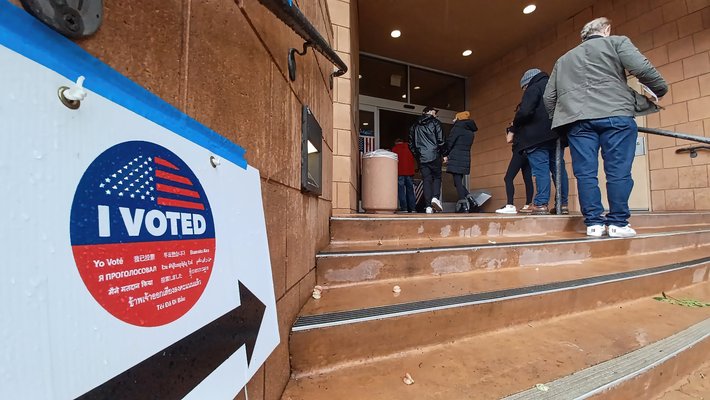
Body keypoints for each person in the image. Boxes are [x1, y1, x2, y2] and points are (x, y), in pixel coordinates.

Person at [543, 17, 667, 238]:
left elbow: (548, 97)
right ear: (606, 29)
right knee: (618, 171)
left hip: (578, 122)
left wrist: (563, 120)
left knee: (585, 173)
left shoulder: (563, 60)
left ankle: (594, 224)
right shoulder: (616, 42)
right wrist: (660, 90)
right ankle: (618, 223)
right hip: (616, 114)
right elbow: (641, 68)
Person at [514, 68, 569, 215]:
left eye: (524, 87)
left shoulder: (534, 87)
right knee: (558, 169)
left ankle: (540, 204)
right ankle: (562, 204)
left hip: (536, 136)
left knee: (540, 169)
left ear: (527, 82)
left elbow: (525, 111)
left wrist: (515, 125)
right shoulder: (555, 85)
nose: (524, 90)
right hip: (557, 134)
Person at [409, 106, 448, 213]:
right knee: (437, 177)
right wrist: (445, 154)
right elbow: (441, 140)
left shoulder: (414, 126)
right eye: (434, 112)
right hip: (434, 155)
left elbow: (411, 144)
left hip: (422, 157)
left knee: (426, 180)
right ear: (428, 112)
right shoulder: (435, 123)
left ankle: (428, 206)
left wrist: (418, 155)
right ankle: (435, 198)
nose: (435, 114)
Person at [496, 120, 534, 214]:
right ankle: (528, 204)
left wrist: (511, 128)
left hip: (519, 152)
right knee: (527, 179)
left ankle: (510, 205)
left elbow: (509, 139)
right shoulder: (527, 126)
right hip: (528, 152)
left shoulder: (515, 126)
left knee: (508, 178)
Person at [445, 111, 478, 213]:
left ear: (459, 118)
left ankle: (463, 205)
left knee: (457, 182)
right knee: (457, 182)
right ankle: (471, 200)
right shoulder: (470, 132)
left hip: (456, 157)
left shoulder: (457, 128)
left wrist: (445, 154)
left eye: (455, 118)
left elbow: (450, 142)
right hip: (465, 158)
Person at [391, 138, 417, 213]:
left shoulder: (394, 149)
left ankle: (404, 208)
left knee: (401, 191)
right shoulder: (409, 148)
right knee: (410, 191)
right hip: (409, 173)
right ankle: (413, 209)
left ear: (396, 142)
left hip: (399, 173)